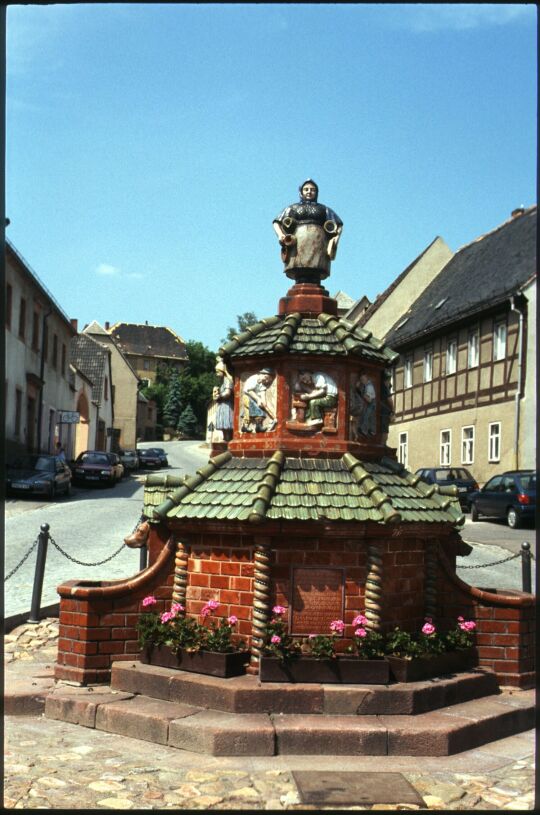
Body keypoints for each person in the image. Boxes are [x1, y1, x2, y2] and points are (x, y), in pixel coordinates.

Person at [273, 180, 343, 280]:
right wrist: (280, 235)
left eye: (312, 190)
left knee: (317, 268)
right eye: (306, 189)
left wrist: (335, 239)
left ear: (316, 192)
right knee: (298, 266)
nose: (309, 192)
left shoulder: (324, 209)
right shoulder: (293, 208)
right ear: (301, 192)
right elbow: (277, 222)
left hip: (319, 244)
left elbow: (338, 225)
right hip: (297, 244)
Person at [242, 368, 276, 433]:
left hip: (254, 399)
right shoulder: (253, 379)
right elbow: (250, 391)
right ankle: (245, 427)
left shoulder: (262, 384)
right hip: (248, 397)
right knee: (248, 412)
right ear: (263, 375)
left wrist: (264, 403)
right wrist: (258, 399)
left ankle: (258, 427)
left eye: (268, 381)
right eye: (266, 379)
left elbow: (262, 393)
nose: (266, 381)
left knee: (260, 410)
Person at [214, 357, 234, 442]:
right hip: (222, 404)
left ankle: (227, 439)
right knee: (223, 422)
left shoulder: (228, 380)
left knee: (226, 422)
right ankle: (225, 438)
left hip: (227, 405)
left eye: (218, 372)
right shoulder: (223, 382)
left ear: (223, 371)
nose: (217, 374)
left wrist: (219, 396)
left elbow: (227, 393)